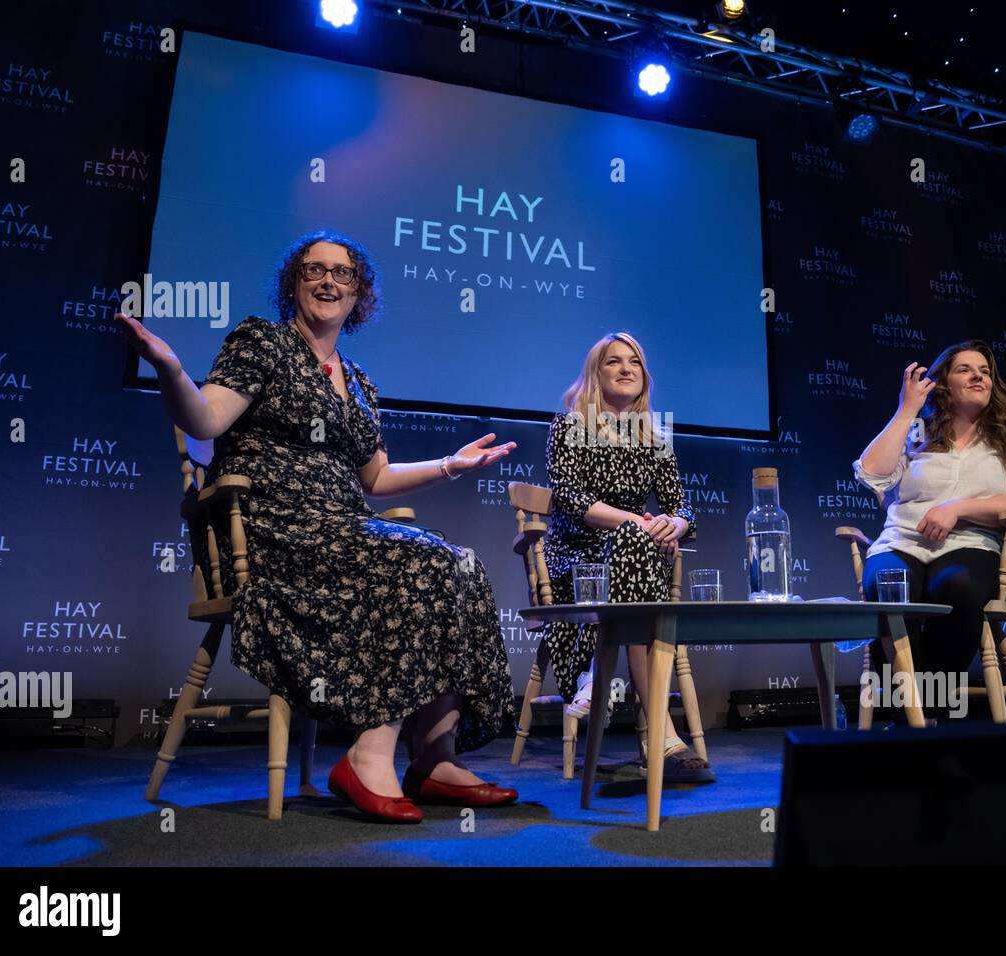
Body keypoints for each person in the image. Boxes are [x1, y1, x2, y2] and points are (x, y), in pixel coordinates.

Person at [116, 229, 519, 823]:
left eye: (343, 274)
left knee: (457, 561)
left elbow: (375, 479)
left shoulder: (358, 383)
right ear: (294, 283)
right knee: (421, 561)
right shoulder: (264, 344)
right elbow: (204, 420)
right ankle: (368, 755)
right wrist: (173, 371)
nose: (329, 282)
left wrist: (450, 466)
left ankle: (433, 758)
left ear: (360, 295)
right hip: (274, 534)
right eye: (314, 271)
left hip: (341, 530)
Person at [542, 332, 713, 782]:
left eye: (634, 361)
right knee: (637, 540)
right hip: (580, 565)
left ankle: (620, 688)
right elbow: (572, 499)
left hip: (635, 564)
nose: (625, 368)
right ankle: (662, 734)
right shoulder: (571, 427)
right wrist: (638, 522)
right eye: (613, 361)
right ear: (595, 374)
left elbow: (683, 507)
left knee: (639, 544)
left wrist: (673, 524)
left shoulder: (654, 439)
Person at [853, 340, 1006, 717]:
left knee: (957, 586)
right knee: (891, 588)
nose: (979, 376)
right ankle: (914, 713)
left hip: (971, 544)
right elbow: (872, 473)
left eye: (985, 371)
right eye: (965, 370)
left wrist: (958, 509)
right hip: (902, 541)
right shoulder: (917, 431)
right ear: (943, 384)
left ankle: (923, 710)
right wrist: (907, 410)